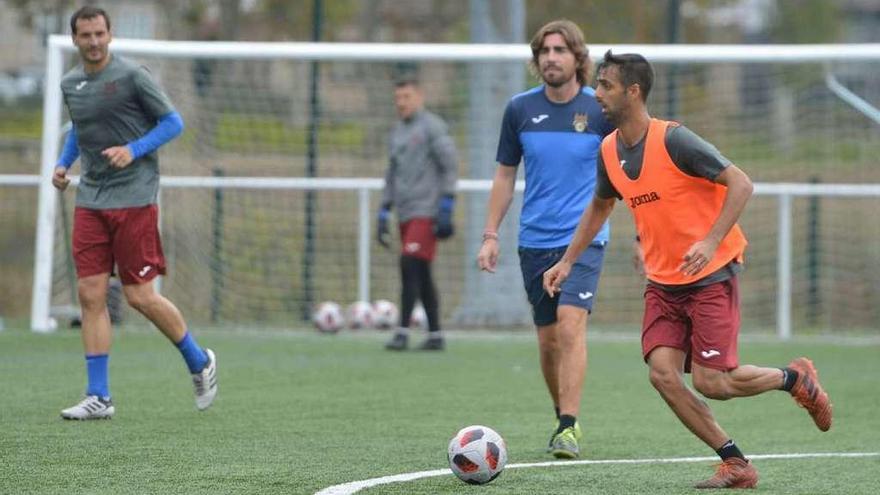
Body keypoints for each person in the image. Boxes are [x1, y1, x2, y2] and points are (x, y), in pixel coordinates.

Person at [543, 50, 832, 488]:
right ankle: (736, 462)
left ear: (633, 91)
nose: (597, 93)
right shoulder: (607, 149)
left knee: (712, 382)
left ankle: (794, 380)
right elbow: (601, 205)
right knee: (662, 374)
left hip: (711, 274)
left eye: (606, 85)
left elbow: (741, 182)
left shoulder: (675, 140)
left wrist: (711, 239)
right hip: (663, 282)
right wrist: (566, 261)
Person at [53, 6, 217, 420]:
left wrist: (133, 150)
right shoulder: (70, 83)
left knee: (139, 296)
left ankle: (199, 360)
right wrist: (63, 163)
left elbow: (173, 123)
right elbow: (80, 129)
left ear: (110, 35)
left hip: (135, 198)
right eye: (85, 35)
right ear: (74, 39)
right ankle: (99, 396)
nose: (93, 41)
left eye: (99, 34)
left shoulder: (131, 77)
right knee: (90, 294)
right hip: (92, 199)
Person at [476, 19, 615, 459]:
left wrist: (647, 240)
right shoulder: (519, 109)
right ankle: (561, 413)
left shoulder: (600, 111)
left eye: (560, 50)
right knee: (549, 340)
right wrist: (490, 234)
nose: (551, 57)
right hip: (535, 240)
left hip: (585, 241)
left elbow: (626, 178)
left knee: (572, 325)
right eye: (544, 51)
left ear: (578, 58)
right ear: (537, 61)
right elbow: (504, 174)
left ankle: (568, 427)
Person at [378, 77, 458, 351]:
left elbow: (449, 166)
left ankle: (402, 330)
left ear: (420, 97)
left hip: (427, 210)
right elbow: (392, 172)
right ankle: (435, 334)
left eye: (407, 97)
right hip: (404, 211)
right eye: (398, 98)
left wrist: (447, 203)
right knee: (421, 271)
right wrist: (384, 208)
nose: (402, 103)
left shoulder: (433, 127)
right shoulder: (397, 131)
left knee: (409, 262)